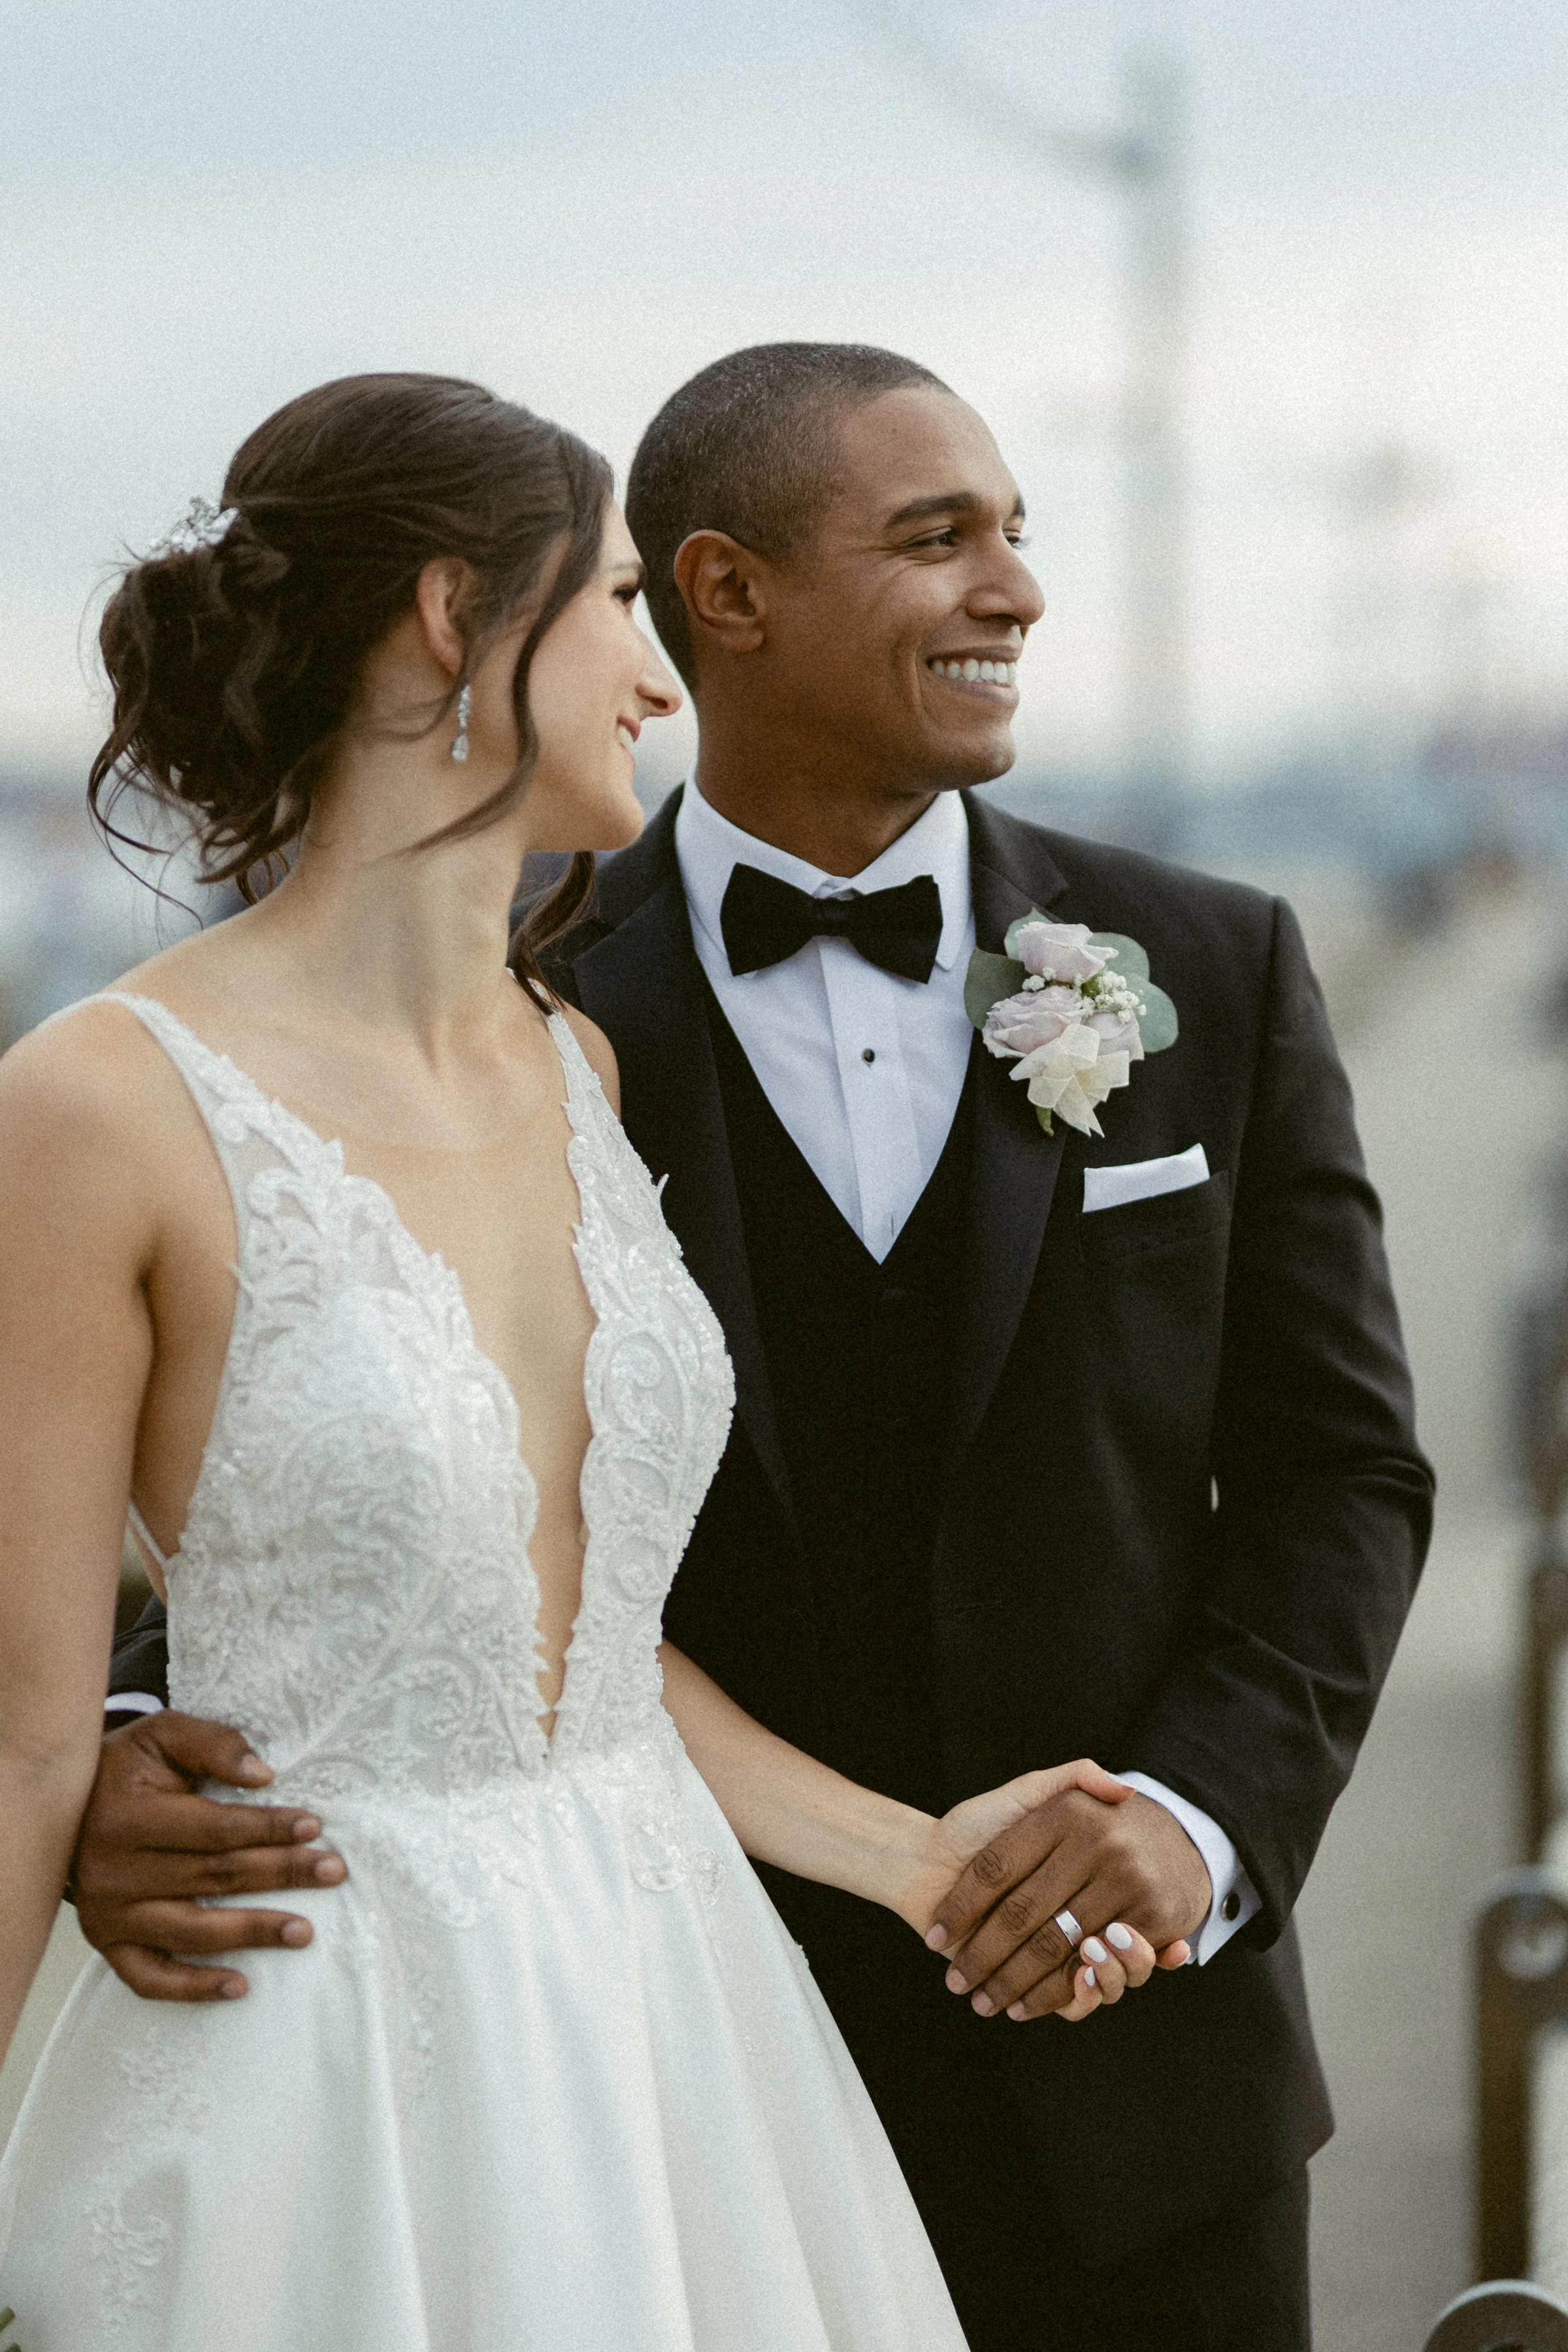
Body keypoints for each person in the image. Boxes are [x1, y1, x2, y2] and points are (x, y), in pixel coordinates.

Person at [76, 346, 1433, 2349]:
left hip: (1145, 2093)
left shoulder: (1212, 967)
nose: (1018, 591)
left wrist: (1191, 1823)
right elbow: (324, 1450)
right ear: (723, 594)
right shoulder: (529, 1019)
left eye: (1018, 534)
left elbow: (1346, 1474)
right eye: (937, 537)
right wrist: (125, 1752)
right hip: (627, 2080)